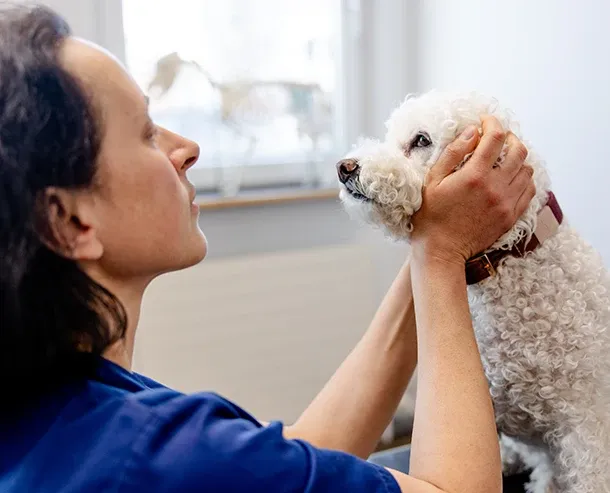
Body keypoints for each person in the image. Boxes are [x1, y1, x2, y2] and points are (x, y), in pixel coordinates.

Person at [0, 4, 535, 493]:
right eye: (145, 133)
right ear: (68, 220)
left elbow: (301, 453)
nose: (187, 148)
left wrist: (432, 233)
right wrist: (440, 255)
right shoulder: (161, 452)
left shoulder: (64, 399)